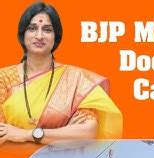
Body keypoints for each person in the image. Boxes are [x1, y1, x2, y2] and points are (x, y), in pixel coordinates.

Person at [0, 3, 122, 147]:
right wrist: (63, 134)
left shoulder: (76, 79)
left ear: (56, 37)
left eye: (47, 30)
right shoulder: (4, 78)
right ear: (23, 34)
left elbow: (87, 133)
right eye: (32, 29)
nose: (39, 36)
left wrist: (28, 134)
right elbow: (3, 138)